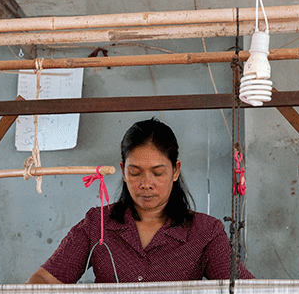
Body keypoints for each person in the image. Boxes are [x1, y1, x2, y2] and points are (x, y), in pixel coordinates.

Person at [27, 118, 253, 284]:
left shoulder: (205, 233)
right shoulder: (99, 225)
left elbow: (247, 292)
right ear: (124, 171)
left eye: (158, 172)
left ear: (176, 170)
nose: (146, 183)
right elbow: (44, 280)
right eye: (135, 173)